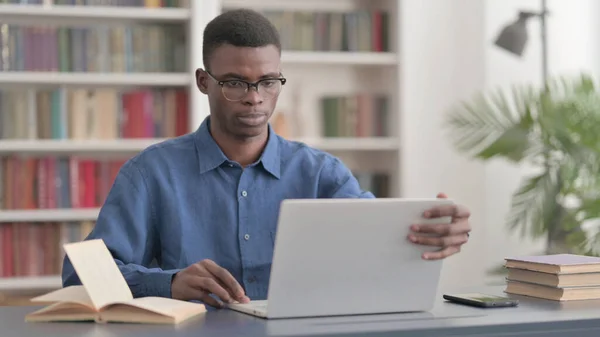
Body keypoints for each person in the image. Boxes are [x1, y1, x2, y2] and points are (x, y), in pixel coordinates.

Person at [61, 8, 472, 309]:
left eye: (268, 81)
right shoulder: (151, 174)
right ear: (204, 81)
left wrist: (425, 235)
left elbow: (373, 246)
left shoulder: (321, 174)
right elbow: (78, 275)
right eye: (235, 83)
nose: (255, 97)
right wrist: (168, 283)